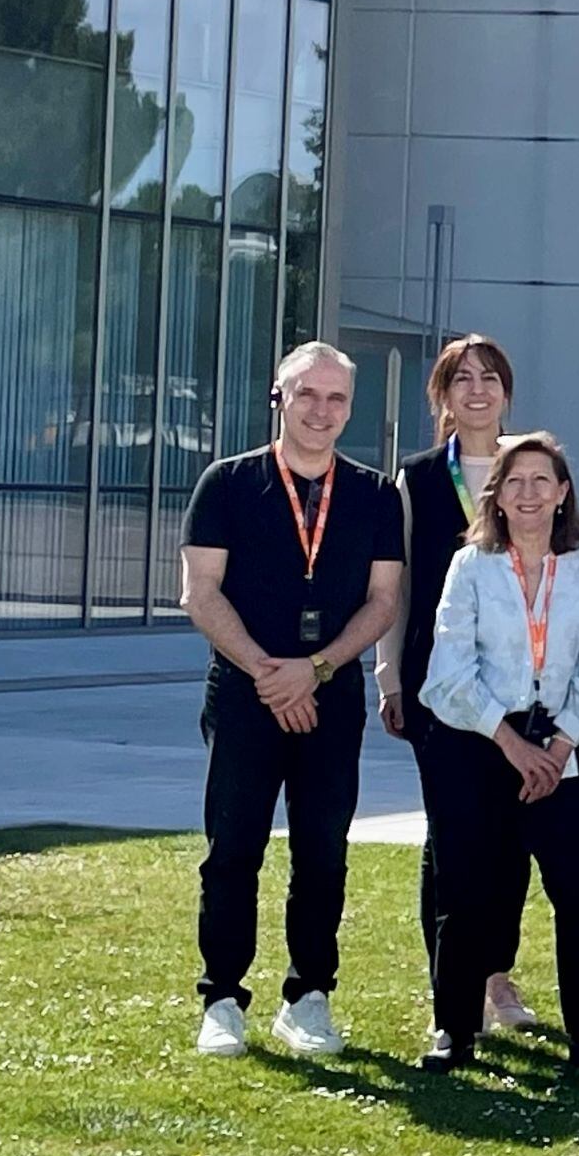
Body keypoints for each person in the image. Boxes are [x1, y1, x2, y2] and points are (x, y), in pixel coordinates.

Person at [181, 341, 404, 1060]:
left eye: (336, 398)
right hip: (245, 693)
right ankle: (221, 997)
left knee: (323, 853)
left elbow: (383, 600)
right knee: (233, 849)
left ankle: (309, 996)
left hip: (330, 696)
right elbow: (201, 592)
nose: (321, 411)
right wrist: (266, 672)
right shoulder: (227, 484)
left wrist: (316, 668)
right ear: (279, 397)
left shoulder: (372, 494)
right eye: (307, 394)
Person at [416, 433, 579, 1072]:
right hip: (481, 746)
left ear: (563, 494)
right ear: (497, 497)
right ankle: (455, 1029)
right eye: (515, 482)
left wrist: (557, 749)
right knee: (466, 890)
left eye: (542, 481)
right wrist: (510, 744)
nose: (529, 494)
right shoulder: (471, 566)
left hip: (564, 748)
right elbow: (447, 672)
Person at [377, 332, 536, 1039]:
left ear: (506, 392)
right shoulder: (414, 478)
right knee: (452, 837)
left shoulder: (532, 466)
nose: (476, 389)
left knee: (510, 838)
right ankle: (455, 987)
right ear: (442, 395)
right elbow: (398, 585)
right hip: (437, 686)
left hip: (522, 690)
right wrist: (388, 678)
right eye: (460, 378)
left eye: (489, 377)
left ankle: (496, 974)